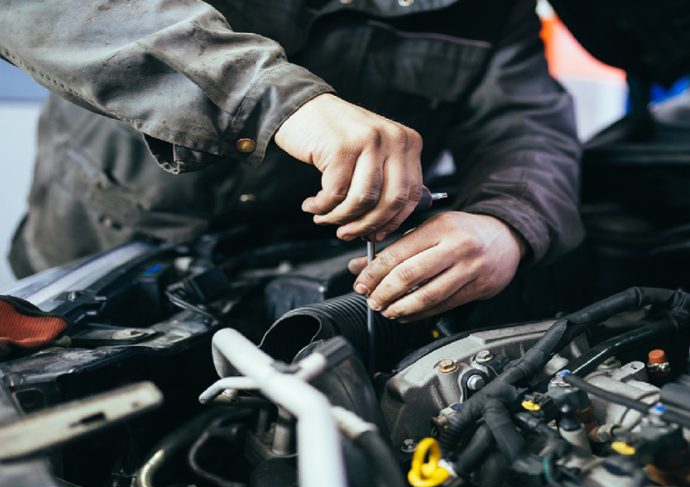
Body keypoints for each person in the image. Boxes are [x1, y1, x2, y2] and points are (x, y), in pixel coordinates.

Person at [2, 0, 583, 322]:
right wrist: (271, 99)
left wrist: (507, 223)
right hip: (94, 265)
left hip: (303, 280)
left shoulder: (487, 11)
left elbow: (526, 126)